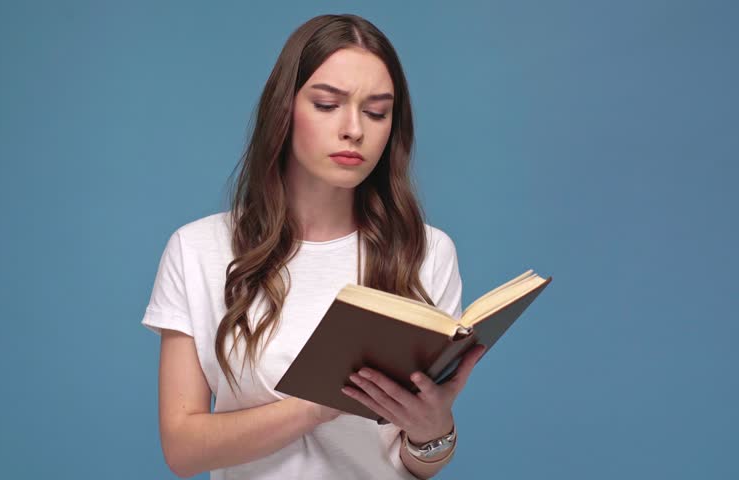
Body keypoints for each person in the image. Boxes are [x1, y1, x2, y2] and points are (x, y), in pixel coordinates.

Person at [141, 13, 486, 480]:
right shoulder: (198, 249)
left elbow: (416, 464)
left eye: (377, 111)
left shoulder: (427, 252)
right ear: (284, 109)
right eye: (327, 104)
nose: (354, 129)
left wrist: (434, 431)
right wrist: (316, 407)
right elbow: (182, 450)